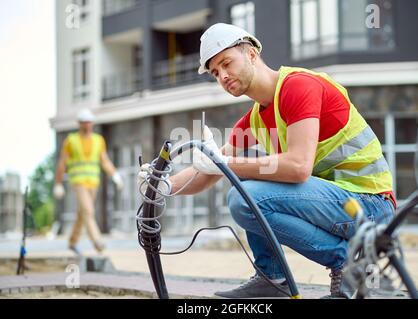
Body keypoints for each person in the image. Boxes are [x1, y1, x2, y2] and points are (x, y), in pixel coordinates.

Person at [139, 23, 396, 299]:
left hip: (370, 206)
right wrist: (163, 185)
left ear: (251, 54)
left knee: (247, 195)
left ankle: (347, 262)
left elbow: (298, 168)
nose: (223, 76)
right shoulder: (254, 119)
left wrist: (223, 164)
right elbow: (207, 171)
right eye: (215, 72)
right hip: (341, 204)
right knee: (248, 184)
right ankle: (272, 279)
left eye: (227, 63)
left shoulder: (299, 87)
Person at [53, 108, 123, 255]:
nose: (87, 125)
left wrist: (115, 174)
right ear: (79, 124)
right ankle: (97, 242)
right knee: (89, 211)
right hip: (78, 182)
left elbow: (104, 161)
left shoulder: (98, 140)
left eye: (89, 122)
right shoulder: (71, 141)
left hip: (93, 183)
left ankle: (72, 242)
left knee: (82, 213)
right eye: (84, 123)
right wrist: (58, 183)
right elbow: (62, 163)